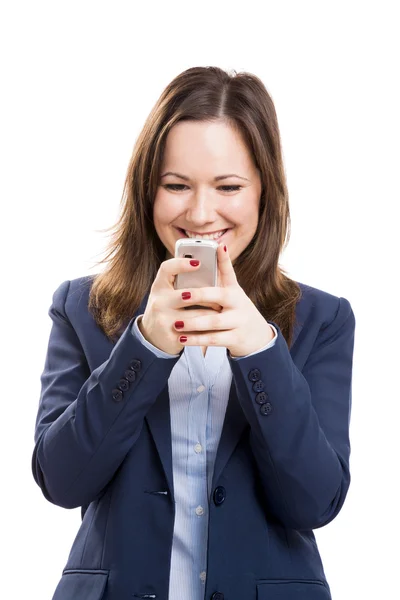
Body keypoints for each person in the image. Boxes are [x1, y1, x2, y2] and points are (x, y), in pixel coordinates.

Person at [32, 66, 356, 600]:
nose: (201, 214)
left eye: (228, 186)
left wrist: (261, 351)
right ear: (148, 192)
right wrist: (144, 348)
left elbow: (314, 502)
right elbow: (62, 482)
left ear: (263, 194)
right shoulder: (83, 307)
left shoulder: (322, 319)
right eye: (176, 185)